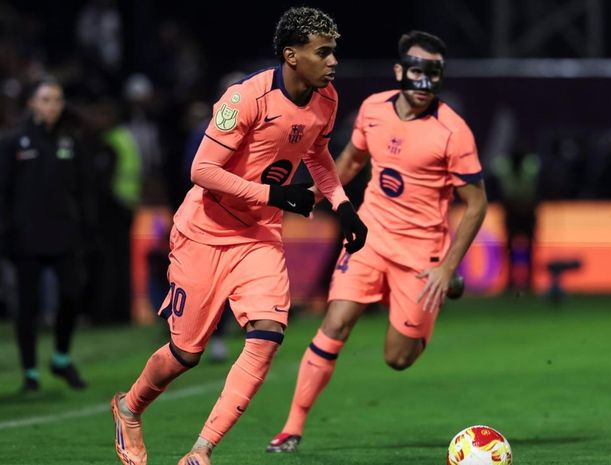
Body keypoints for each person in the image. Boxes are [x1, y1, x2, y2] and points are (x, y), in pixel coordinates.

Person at [110, 7, 367, 465]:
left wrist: (343, 205)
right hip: (204, 233)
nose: (333, 62)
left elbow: (318, 154)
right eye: (322, 52)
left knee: (267, 337)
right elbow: (202, 170)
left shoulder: (326, 99)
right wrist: (276, 195)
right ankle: (130, 407)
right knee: (185, 353)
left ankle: (201, 451)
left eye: (334, 52)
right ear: (291, 55)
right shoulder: (245, 98)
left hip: (259, 236)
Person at [266, 30, 488, 453]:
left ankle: (442, 291)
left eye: (434, 74)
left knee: (397, 359)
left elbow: (477, 204)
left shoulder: (453, 131)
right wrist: (316, 194)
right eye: (418, 71)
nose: (424, 83)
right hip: (371, 237)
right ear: (400, 70)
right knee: (335, 323)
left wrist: (447, 268)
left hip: (422, 254)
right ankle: (291, 428)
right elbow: (352, 159)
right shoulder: (373, 110)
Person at [0, 77, 94, 391]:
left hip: (65, 235)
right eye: (45, 99)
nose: (52, 106)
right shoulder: (14, 141)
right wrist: (7, 232)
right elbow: (4, 192)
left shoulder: (71, 141)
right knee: (27, 306)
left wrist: (86, 228)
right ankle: (30, 372)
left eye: (57, 99)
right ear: (31, 103)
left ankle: (61, 359)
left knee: (71, 295)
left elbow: (84, 190)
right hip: (25, 238)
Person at [491, 139, 540, 292]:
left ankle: (529, 281)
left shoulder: (530, 166)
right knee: (510, 247)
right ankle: (510, 280)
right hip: (512, 210)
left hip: (527, 210)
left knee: (529, 247)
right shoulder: (505, 166)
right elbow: (497, 180)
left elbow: (536, 187)